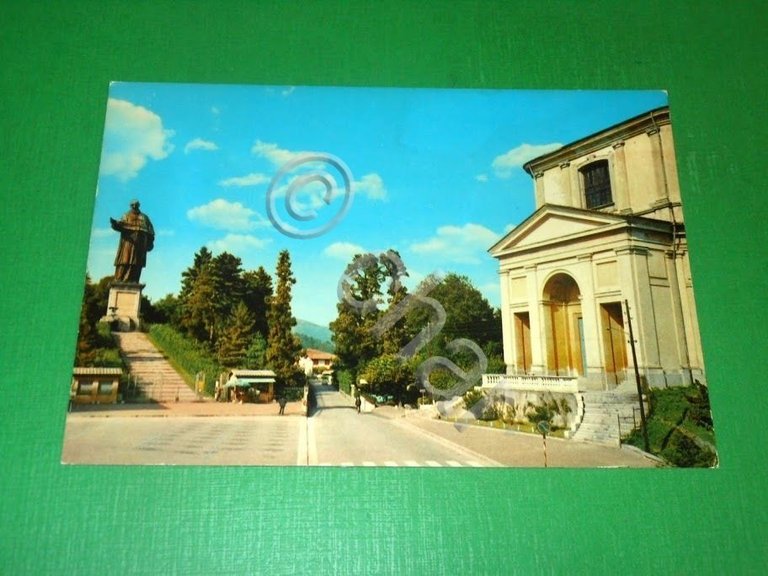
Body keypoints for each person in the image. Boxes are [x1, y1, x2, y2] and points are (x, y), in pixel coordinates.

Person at [110, 199, 155, 283]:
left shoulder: (145, 217)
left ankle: (134, 280)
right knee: (125, 260)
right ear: (130, 206)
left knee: (138, 262)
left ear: (139, 205)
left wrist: (150, 242)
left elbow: (151, 230)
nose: (134, 206)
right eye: (132, 205)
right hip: (128, 242)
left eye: (136, 205)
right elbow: (120, 225)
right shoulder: (126, 215)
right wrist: (114, 224)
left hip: (141, 243)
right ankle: (119, 279)